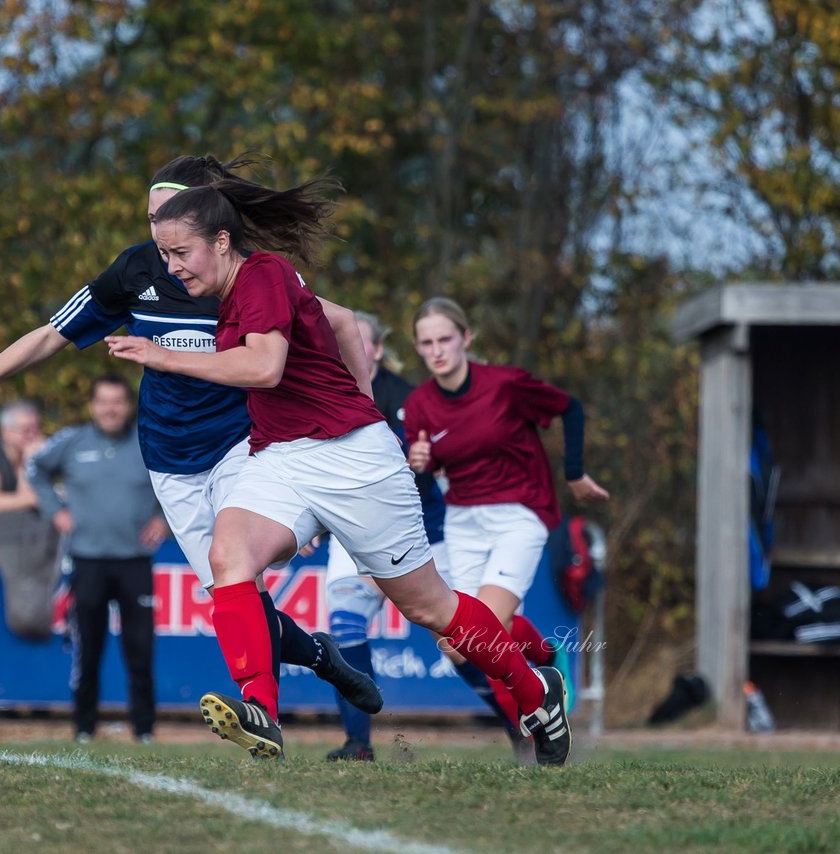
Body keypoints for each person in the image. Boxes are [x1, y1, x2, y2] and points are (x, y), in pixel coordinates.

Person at [106, 181, 572, 765]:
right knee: (230, 557)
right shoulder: (233, 288)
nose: (171, 268)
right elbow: (347, 323)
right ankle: (260, 712)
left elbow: (266, 366)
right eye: (164, 256)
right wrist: (360, 395)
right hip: (280, 456)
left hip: (353, 460)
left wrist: (163, 355)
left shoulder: (265, 273)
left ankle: (537, 693)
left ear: (222, 242)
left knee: (431, 609)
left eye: (180, 253)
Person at [0, 155, 381, 715]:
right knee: (235, 599)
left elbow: (342, 323)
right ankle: (321, 658)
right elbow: (52, 334)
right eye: (152, 218)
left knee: (239, 580)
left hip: (242, 444)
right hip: (169, 457)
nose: (159, 232)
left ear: (207, 223)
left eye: (170, 216)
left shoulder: (249, 275)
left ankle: (261, 713)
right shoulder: (134, 272)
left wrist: (360, 423)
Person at [403, 296, 610, 755]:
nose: (437, 351)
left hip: (520, 513)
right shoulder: (419, 405)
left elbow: (569, 408)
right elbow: (428, 469)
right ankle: (542, 660)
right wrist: (420, 462)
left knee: (483, 630)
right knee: (457, 645)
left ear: (466, 339)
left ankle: (527, 727)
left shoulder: (505, 384)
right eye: (426, 343)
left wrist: (574, 474)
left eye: (445, 339)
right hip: (461, 520)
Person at [316, 310, 451, 762]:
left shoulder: (408, 400)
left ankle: (521, 723)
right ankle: (358, 743)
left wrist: (423, 464)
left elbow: (431, 476)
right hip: (349, 530)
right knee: (344, 626)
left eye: (354, 340)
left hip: (415, 529)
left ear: (374, 349)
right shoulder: (320, 394)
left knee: (455, 643)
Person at [27, 375, 167, 744]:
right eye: (104, 402)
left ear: (128, 406)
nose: (111, 409)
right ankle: (84, 729)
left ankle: (145, 730)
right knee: (87, 651)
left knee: (140, 650)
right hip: (87, 562)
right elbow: (35, 470)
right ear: (93, 406)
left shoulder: (147, 441)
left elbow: (182, 480)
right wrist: (54, 510)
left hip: (135, 562)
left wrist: (164, 519)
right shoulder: (72, 442)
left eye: (118, 402)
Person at [0, 400, 61, 640]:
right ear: (6, 431)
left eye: (35, 428)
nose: (32, 435)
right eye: (25, 429)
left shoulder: (46, 451)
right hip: (4, 538)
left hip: (40, 536)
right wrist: (29, 465)